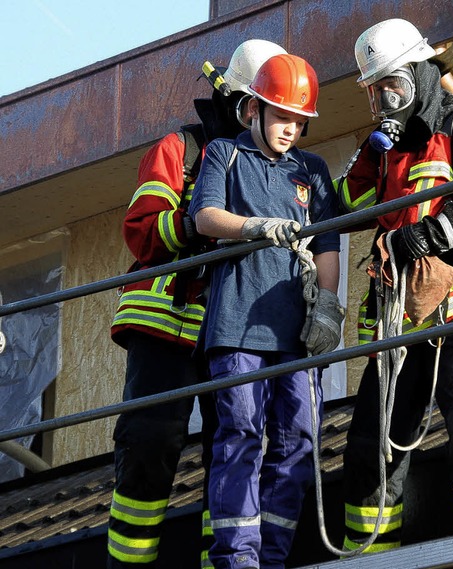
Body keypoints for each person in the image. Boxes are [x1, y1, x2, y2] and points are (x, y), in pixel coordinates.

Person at [336, 18, 453, 553]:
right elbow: (348, 204)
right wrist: (366, 153)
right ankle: (368, 554)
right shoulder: (387, 150)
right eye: (375, 92)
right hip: (400, 314)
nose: (383, 101)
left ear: (420, 74)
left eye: (391, 86)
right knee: (372, 440)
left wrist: (431, 234)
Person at [107, 39, 287, 569]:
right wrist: (196, 223)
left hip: (228, 332)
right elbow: (141, 230)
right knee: (149, 445)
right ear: (236, 102)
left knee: (230, 450)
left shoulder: (269, 165)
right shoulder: (180, 150)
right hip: (164, 324)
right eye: (253, 107)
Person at [189, 53, 343, 569]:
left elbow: (327, 245)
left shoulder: (312, 170)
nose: (290, 129)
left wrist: (325, 307)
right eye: (282, 116)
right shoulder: (223, 155)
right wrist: (254, 227)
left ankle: (270, 558)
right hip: (236, 330)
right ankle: (239, 561)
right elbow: (204, 217)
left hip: (295, 334)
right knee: (241, 438)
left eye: (300, 120)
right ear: (253, 109)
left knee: (299, 441)